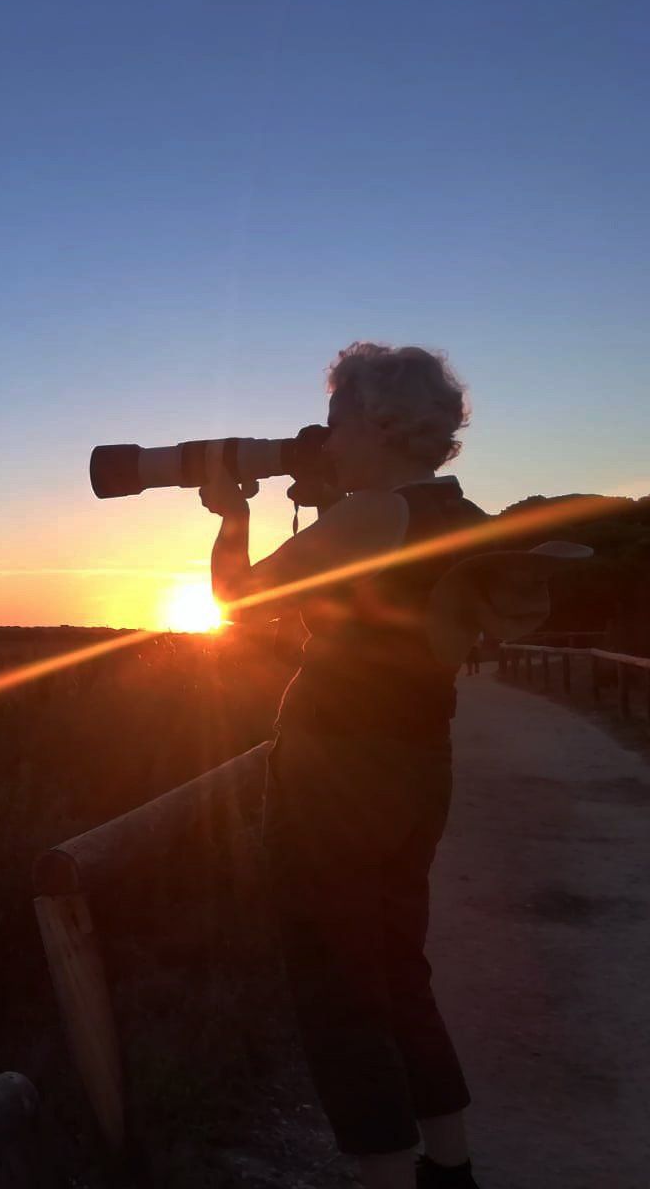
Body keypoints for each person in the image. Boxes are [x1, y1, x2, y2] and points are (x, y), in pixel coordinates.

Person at [201, 342, 486, 1189]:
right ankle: (449, 1168)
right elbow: (381, 617)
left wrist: (232, 515)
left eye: (335, 423)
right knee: (399, 968)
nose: (323, 440)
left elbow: (237, 601)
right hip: (419, 764)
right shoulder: (460, 515)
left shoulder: (369, 518)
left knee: (337, 984)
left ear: (379, 425)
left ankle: (385, 1174)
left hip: (334, 774)